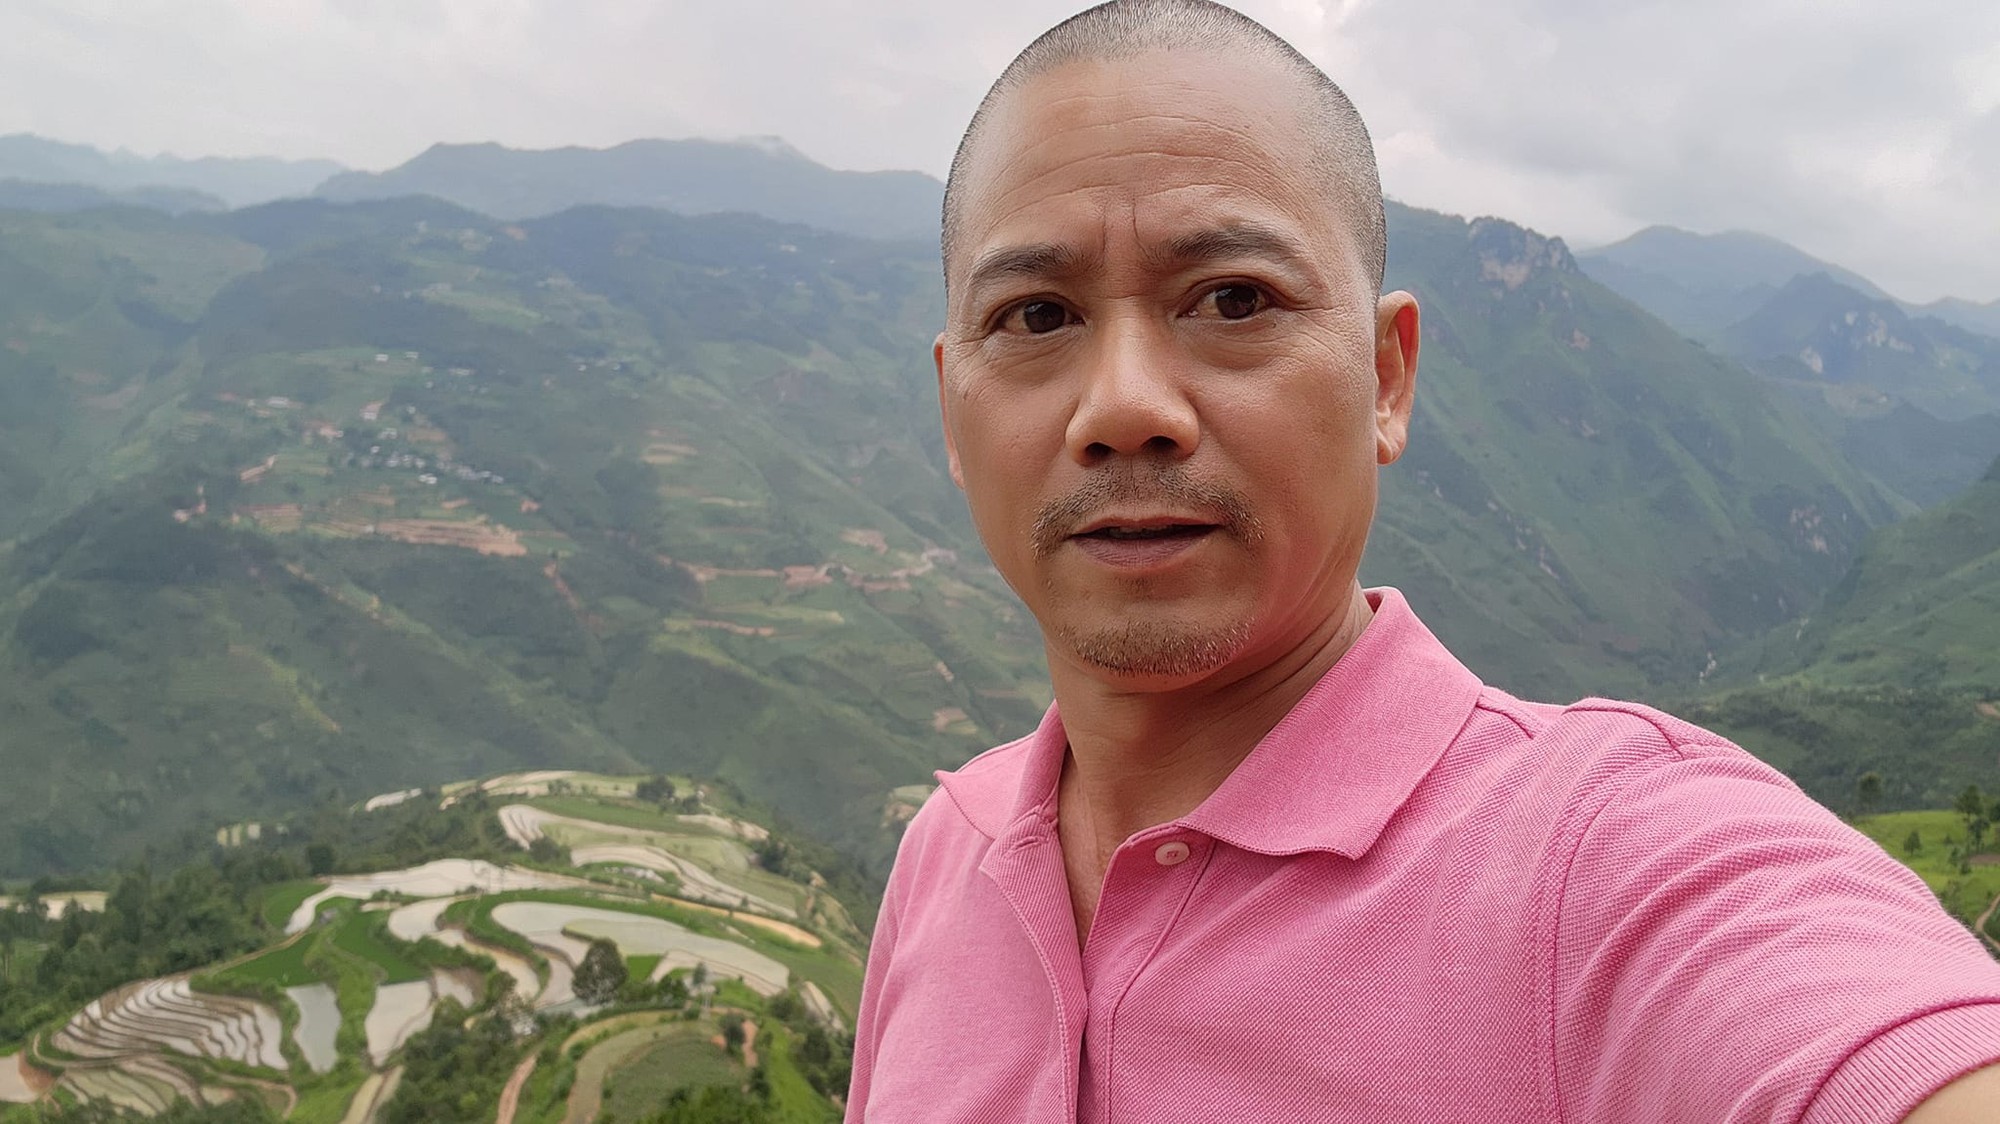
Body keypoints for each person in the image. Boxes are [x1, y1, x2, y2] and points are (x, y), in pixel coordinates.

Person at [844, 1, 2000, 1120]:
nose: (1124, 406)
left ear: (1385, 378)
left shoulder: (1608, 869)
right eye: (1036, 316)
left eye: (1232, 298)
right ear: (950, 408)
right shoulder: (950, 854)